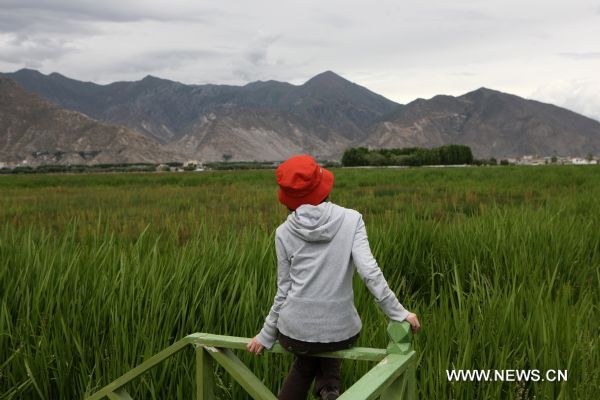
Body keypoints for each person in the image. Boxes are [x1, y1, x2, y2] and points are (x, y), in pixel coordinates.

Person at [247, 155, 420, 400]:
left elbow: (283, 291)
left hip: (295, 332)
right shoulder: (352, 220)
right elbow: (369, 272)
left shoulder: (283, 233)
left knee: (305, 362)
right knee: (330, 342)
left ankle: (325, 386)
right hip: (340, 331)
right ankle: (328, 387)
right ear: (322, 187)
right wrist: (398, 313)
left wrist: (265, 335)